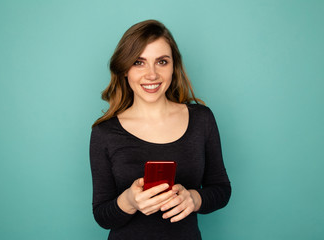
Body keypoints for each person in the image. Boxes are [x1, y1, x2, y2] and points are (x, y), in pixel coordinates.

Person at [89, 19, 231, 240]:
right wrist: (129, 201)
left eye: (162, 62)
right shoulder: (104, 133)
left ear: (174, 66)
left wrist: (194, 199)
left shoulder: (202, 119)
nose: (152, 74)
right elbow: (102, 215)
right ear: (124, 69)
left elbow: (221, 189)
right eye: (139, 62)